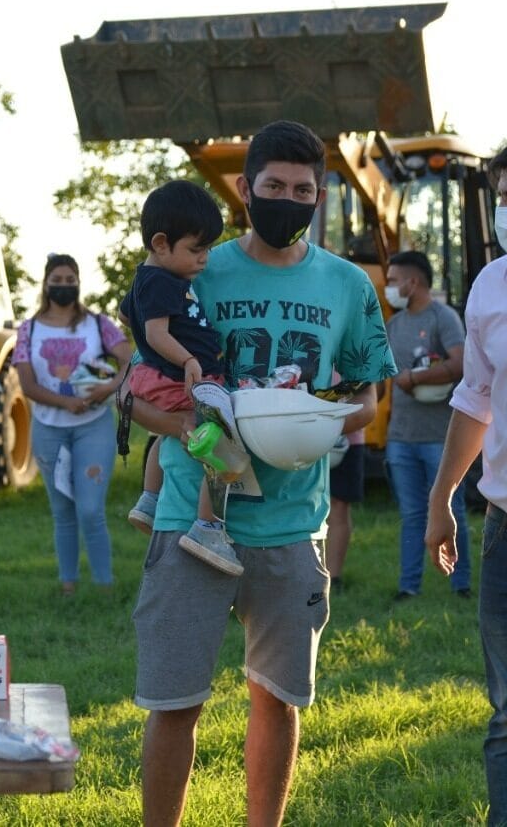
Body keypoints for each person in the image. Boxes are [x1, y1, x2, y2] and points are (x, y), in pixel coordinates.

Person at [122, 119, 396, 826]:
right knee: (175, 701)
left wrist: (324, 423)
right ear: (246, 188)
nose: (288, 198)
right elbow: (137, 390)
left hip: (291, 521)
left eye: (303, 189)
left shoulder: (347, 285)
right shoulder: (195, 268)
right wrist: (190, 427)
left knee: (275, 694)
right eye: (273, 186)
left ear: (320, 193)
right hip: (192, 516)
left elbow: (368, 397)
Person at [425, 145, 507, 827]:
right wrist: (443, 496)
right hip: (505, 524)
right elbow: (475, 399)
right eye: (506, 195)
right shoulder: (491, 286)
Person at [120, 179, 243, 576]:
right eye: (196, 249)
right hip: (181, 377)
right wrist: (189, 360)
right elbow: (155, 333)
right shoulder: (160, 281)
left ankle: (149, 501)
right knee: (220, 444)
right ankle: (208, 528)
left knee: (163, 435)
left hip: (162, 375)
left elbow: (127, 313)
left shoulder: (149, 279)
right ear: (160, 243)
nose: (205, 258)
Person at [12, 253, 131, 595]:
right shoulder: (28, 330)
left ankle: (104, 586)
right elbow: (28, 385)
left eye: (70, 280)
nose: (64, 286)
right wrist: (67, 402)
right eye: (57, 280)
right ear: (46, 283)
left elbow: (130, 359)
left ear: (78, 283)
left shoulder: (98, 324)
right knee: (62, 509)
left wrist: (108, 387)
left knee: (91, 508)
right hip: (48, 428)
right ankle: (68, 586)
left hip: (94, 425)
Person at [384, 249, 471, 600]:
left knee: (454, 511)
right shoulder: (393, 324)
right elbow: (380, 377)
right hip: (400, 437)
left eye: (392, 281)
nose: (389, 287)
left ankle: (460, 583)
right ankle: (409, 588)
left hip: (442, 438)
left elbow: (462, 364)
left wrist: (416, 377)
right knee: (411, 515)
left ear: (412, 282)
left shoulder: (444, 317)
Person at [325, 427, 365, 594]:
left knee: (339, 504)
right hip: (300, 438)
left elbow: (369, 405)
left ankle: (333, 578)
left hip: (348, 440)